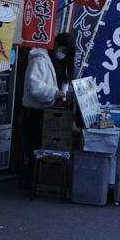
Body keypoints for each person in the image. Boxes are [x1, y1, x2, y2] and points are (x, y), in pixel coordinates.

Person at [20, 32, 75, 185]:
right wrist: (53, 92)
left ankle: (38, 179)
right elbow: (34, 85)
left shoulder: (59, 64)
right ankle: (30, 180)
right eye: (63, 50)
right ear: (55, 45)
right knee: (34, 147)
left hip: (50, 111)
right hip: (35, 111)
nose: (63, 55)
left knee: (43, 147)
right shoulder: (39, 60)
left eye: (66, 53)